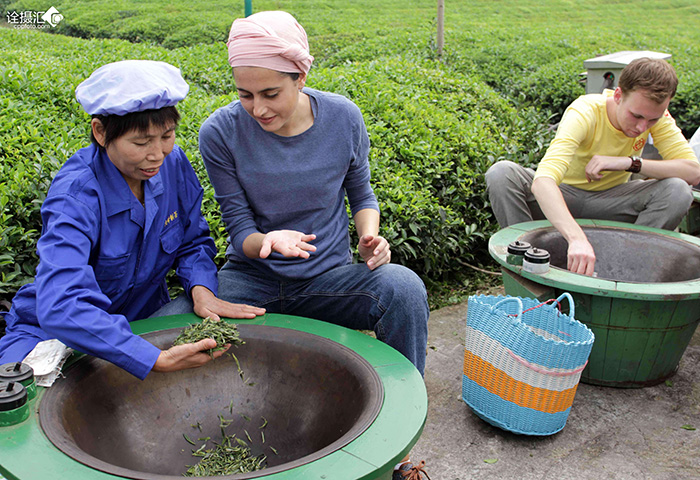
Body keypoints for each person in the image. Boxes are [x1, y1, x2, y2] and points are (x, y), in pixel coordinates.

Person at [198, 11, 430, 479]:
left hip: (328, 281)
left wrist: (370, 235)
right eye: (245, 94)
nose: (257, 108)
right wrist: (268, 241)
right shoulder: (220, 132)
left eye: (270, 94)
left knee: (402, 288)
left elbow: (362, 194)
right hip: (250, 284)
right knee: (181, 321)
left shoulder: (343, 117)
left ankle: (398, 445)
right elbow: (238, 228)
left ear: (301, 77)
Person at [0, 60, 265, 379]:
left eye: (167, 136)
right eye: (141, 142)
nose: (157, 154)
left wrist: (201, 289)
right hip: (51, 335)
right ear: (101, 132)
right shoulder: (76, 196)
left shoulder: (173, 163)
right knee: (17, 402)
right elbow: (61, 303)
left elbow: (192, 241)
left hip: (144, 321)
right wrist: (149, 357)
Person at [486, 57, 700, 276]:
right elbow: (543, 182)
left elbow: (693, 172)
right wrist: (577, 239)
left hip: (612, 201)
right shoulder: (585, 111)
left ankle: (625, 269)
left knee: (678, 190)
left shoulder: (657, 117)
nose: (641, 127)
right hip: (563, 194)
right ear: (618, 96)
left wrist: (631, 163)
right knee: (501, 173)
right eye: (636, 116)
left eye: (651, 120)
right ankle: (530, 262)